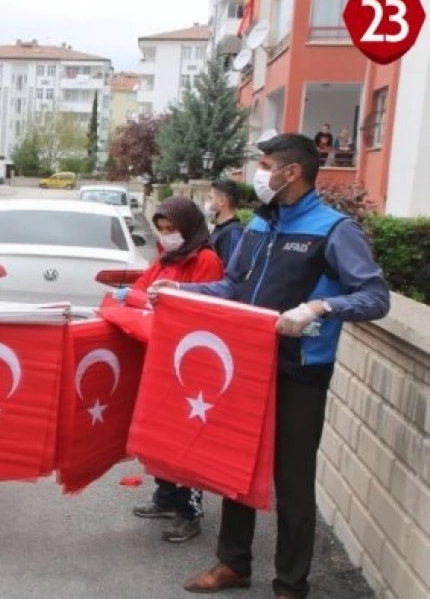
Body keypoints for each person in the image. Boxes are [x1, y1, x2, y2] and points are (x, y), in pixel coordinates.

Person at [150, 134, 390, 598]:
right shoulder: (258, 227)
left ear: (290, 172)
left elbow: (375, 297)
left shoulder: (334, 230)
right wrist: (180, 292)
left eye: (263, 164)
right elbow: (231, 287)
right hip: (247, 366)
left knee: (294, 485)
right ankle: (233, 564)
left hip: (301, 372)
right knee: (236, 467)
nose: (256, 174)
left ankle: (291, 585)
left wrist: (319, 308)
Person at [115, 196, 224, 544]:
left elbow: (203, 310)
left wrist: (160, 300)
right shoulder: (166, 256)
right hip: (158, 356)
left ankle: (189, 511)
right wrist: (140, 298)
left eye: (171, 230)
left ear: (188, 228)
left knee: (188, 439)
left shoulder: (206, 260)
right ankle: (165, 497)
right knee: (160, 433)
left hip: (190, 364)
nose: (165, 236)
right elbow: (141, 289)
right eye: (161, 230)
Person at [205, 180, 246, 265]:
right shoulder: (220, 228)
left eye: (210, 198)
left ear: (222, 201)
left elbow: (231, 269)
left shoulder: (234, 231)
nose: (207, 202)